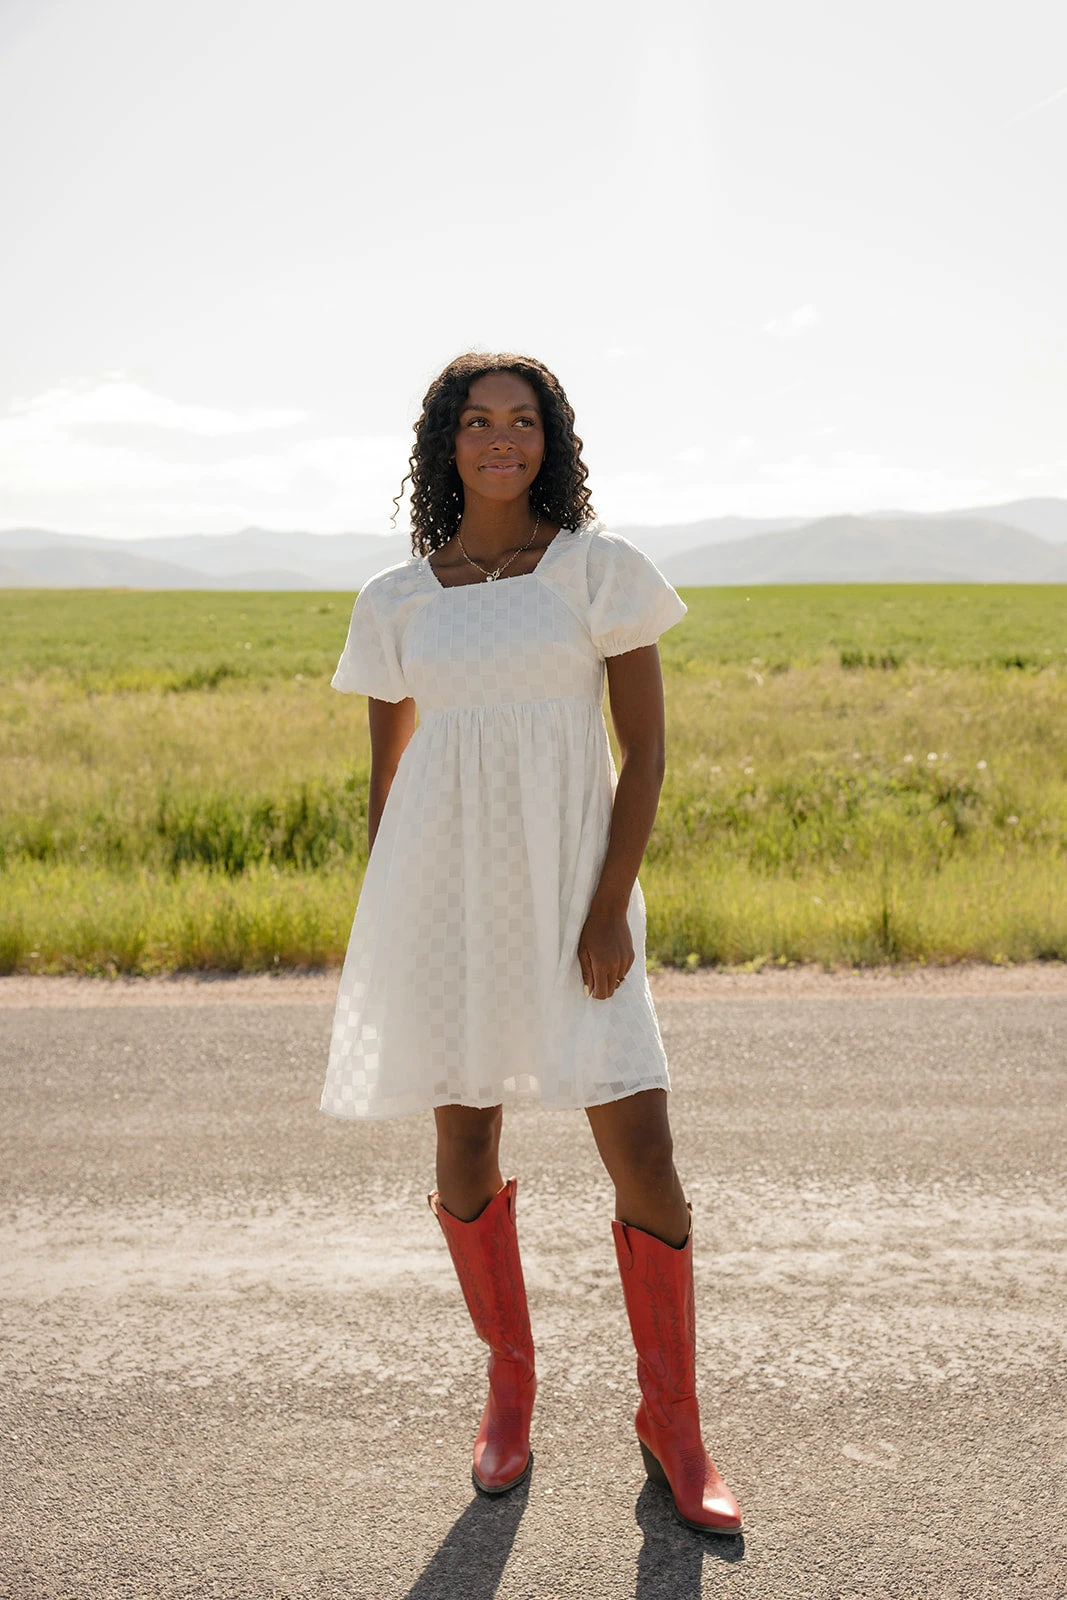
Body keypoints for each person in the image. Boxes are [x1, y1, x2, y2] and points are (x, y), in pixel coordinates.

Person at [320, 352, 743, 1536]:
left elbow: (645, 752)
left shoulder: (597, 571)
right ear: (443, 443)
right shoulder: (396, 597)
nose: (498, 439)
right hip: (445, 898)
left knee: (643, 1142)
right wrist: (397, 923)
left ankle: (674, 1420)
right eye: (475, 421)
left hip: (576, 891)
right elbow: (388, 776)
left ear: (550, 438)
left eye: (521, 420)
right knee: (464, 1132)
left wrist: (608, 903)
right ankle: (509, 1381)